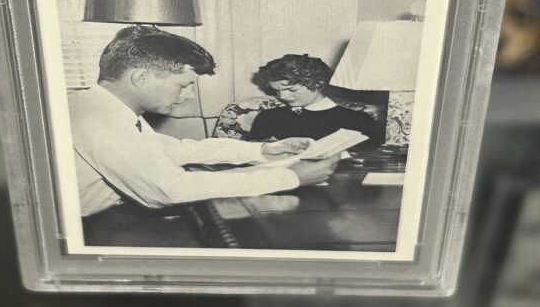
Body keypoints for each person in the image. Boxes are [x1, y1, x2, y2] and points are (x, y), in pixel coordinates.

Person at [70, 26, 341, 219]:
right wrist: (291, 177)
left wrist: (262, 151)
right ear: (140, 78)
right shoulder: (99, 119)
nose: (189, 96)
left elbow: (174, 150)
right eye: (183, 85)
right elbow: (170, 190)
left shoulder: (100, 106)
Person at [249, 54, 382, 146]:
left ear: (318, 84)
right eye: (277, 91)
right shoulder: (268, 117)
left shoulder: (356, 120)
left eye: (292, 90)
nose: (283, 96)